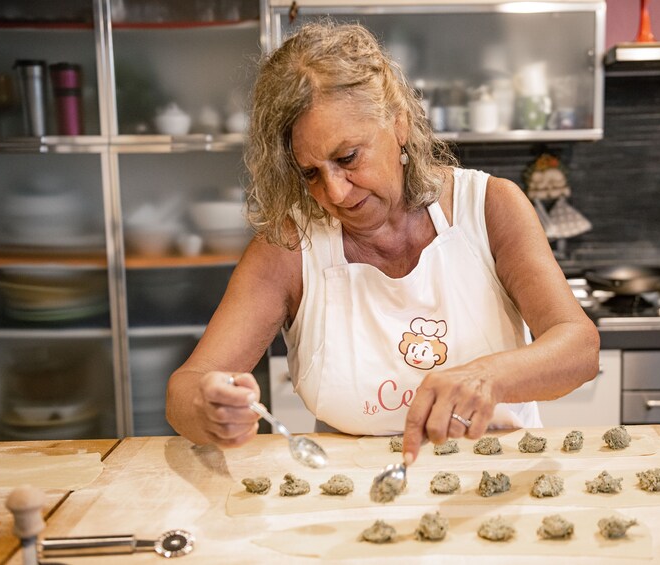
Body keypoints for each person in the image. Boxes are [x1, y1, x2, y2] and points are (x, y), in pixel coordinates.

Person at [166, 21, 600, 466]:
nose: (335, 193)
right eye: (310, 173)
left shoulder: (489, 207)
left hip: (497, 476)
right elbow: (187, 387)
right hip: (355, 497)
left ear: (399, 124)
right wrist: (208, 406)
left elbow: (579, 348)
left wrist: (486, 377)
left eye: (348, 158)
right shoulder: (289, 247)